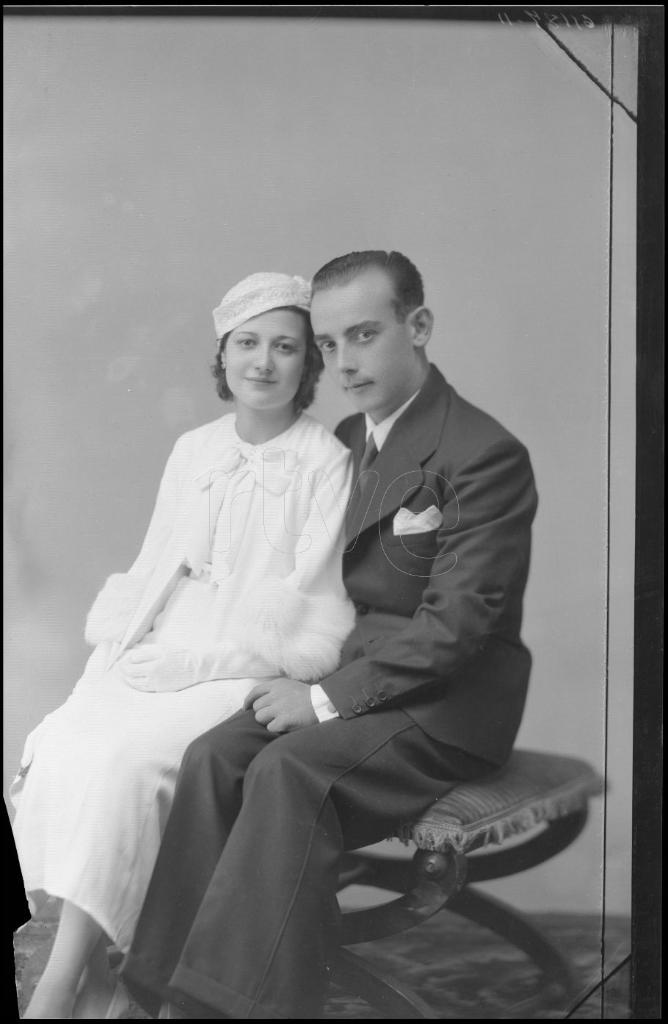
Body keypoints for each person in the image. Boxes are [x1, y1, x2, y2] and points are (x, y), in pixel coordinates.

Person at [120, 249, 539, 1020]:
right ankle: (152, 987)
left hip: (447, 707)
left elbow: (456, 628)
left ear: (419, 326)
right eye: (328, 343)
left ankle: (222, 1007)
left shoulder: (484, 453)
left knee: (289, 770)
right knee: (214, 756)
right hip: (358, 680)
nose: (344, 362)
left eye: (365, 335)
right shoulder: (349, 436)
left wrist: (322, 699)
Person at [10, 271, 355, 1019]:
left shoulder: (326, 461)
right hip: (161, 647)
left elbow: (311, 610)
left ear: (308, 363)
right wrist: (109, 664)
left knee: (130, 765)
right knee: (66, 742)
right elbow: (151, 571)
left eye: (285, 347)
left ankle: (63, 981)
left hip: (240, 666)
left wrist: (196, 664)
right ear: (223, 354)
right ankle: (94, 974)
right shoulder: (193, 448)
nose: (263, 362)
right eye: (247, 343)